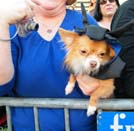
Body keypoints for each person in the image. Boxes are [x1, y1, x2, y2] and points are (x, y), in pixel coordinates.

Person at [0, 0, 98, 131]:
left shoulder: (86, 23)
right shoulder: (12, 27)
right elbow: (2, 86)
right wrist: (1, 24)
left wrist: (97, 81)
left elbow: (109, 81)